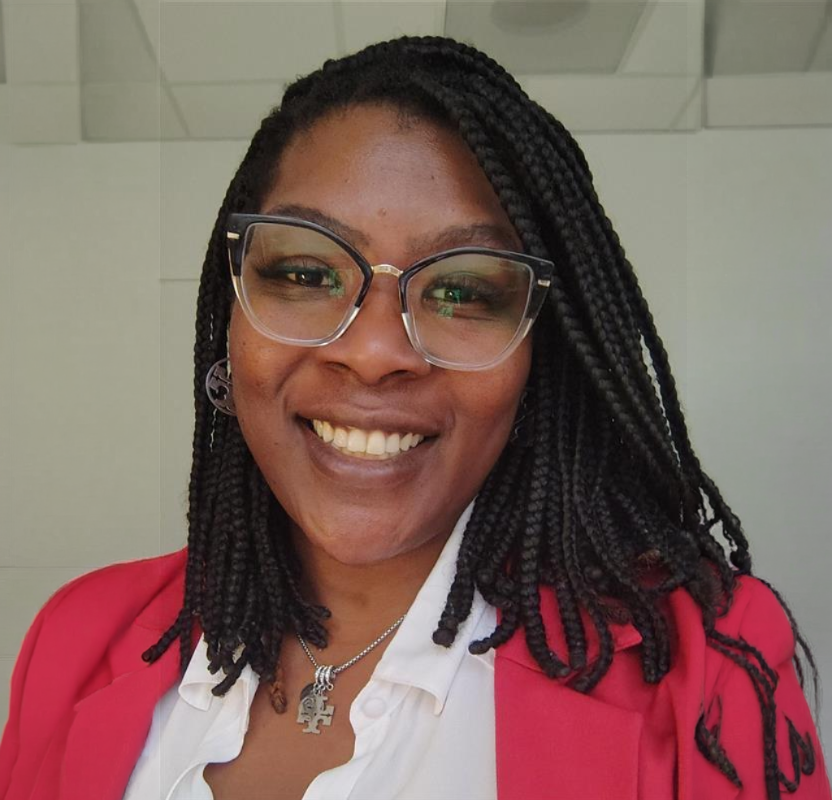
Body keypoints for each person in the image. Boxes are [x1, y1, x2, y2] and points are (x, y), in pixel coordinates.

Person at [0, 35, 829, 800]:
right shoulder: (75, 640)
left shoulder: (706, 662)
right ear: (231, 314)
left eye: (463, 290)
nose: (372, 354)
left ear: (538, 357)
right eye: (305, 273)